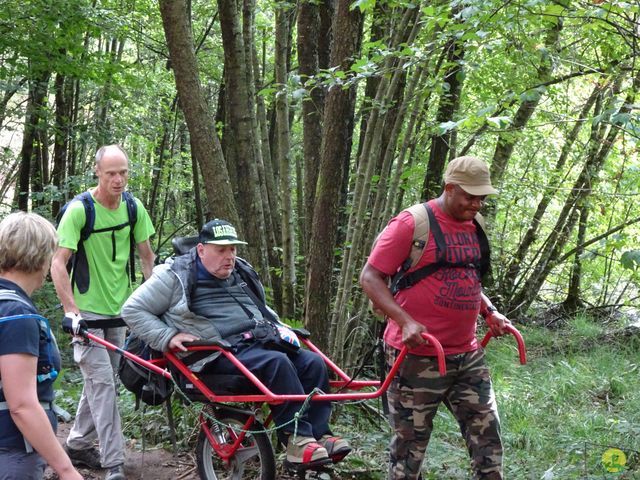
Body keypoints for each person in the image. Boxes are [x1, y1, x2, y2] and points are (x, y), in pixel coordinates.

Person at [121, 219, 351, 470]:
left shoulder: (241, 271)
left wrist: (282, 329)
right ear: (201, 250)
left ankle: (319, 435)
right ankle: (296, 442)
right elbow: (132, 310)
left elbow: (262, 310)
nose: (229, 256)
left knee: (312, 363)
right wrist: (167, 337)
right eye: (221, 250)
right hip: (214, 355)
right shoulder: (173, 275)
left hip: (257, 344)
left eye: (233, 249)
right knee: (277, 363)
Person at [360, 156, 511, 480]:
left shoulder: (476, 226)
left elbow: (468, 279)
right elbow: (370, 277)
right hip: (414, 356)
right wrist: (405, 321)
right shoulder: (411, 224)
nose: (477, 202)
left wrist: (490, 312)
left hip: (466, 354)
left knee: (488, 440)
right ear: (450, 188)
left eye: (482, 197)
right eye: (470, 196)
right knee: (408, 451)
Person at [51, 145, 156, 480]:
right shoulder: (79, 210)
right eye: (111, 172)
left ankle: (79, 443)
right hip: (87, 318)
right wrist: (71, 310)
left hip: (121, 313)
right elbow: (57, 262)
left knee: (101, 383)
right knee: (104, 388)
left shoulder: (133, 208)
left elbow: (147, 256)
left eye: (123, 172)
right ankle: (114, 465)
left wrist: (151, 300)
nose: (119, 179)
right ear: (97, 171)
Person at [0, 211, 83, 480]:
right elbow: (22, 405)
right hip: (10, 452)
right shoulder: (16, 314)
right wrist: (67, 470)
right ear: (43, 258)